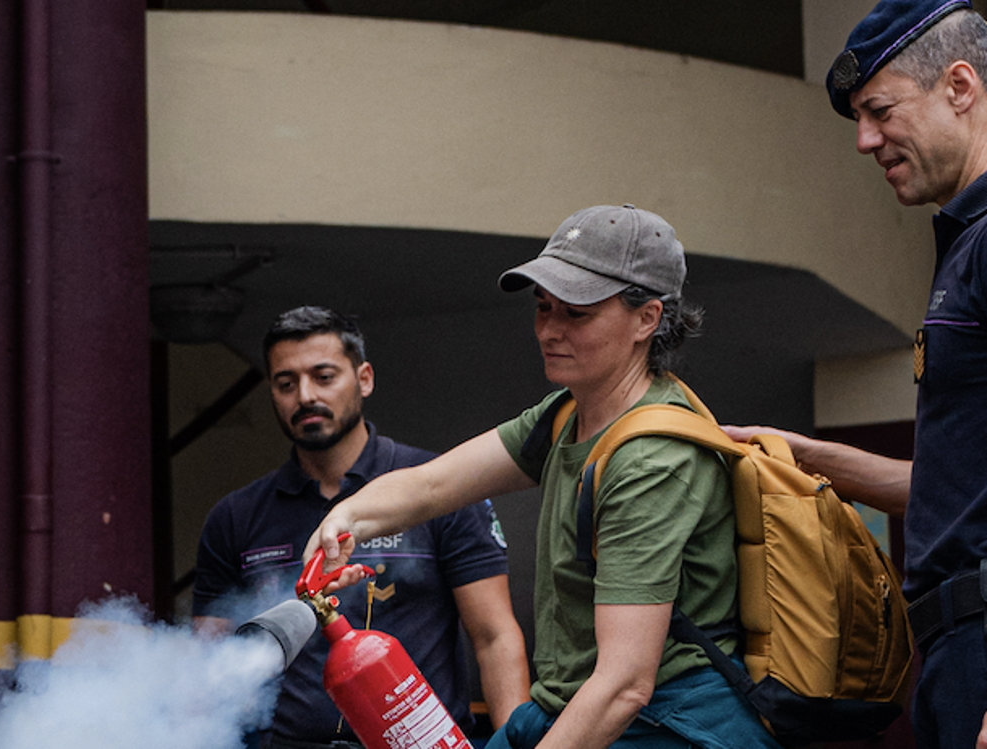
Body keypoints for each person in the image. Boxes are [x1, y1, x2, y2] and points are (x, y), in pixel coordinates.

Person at [306, 205, 781, 749]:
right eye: (542, 307)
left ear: (647, 319)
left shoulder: (651, 460)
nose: (548, 330)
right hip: (568, 701)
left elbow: (625, 685)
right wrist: (342, 521)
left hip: (664, 721)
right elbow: (432, 486)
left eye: (576, 313)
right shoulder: (566, 414)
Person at [717, 2, 987, 747]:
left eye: (879, 111)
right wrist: (794, 455)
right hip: (948, 647)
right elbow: (946, 490)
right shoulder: (964, 242)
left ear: (958, 86)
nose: (865, 140)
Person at [192, 305, 530, 749]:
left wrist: (517, 744)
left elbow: (494, 637)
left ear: (364, 378)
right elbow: (211, 662)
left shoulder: (437, 489)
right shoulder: (236, 516)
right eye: (286, 383)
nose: (306, 396)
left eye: (324, 376)